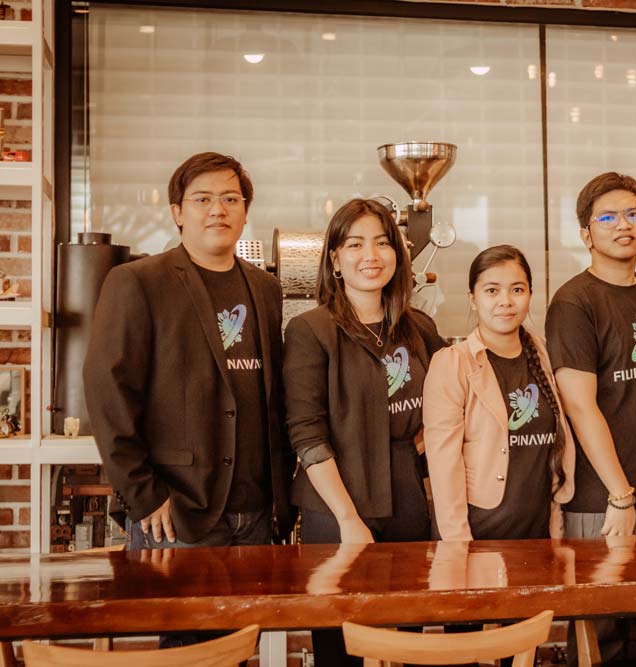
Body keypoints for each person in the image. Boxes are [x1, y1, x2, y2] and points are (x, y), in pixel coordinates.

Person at [84, 151, 295, 552]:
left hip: (257, 514)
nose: (218, 210)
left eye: (231, 199)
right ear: (178, 212)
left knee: (254, 619)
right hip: (176, 512)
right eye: (203, 199)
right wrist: (144, 494)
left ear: (245, 211)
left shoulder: (266, 288)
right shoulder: (137, 282)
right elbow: (108, 394)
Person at [283, 197, 446, 667]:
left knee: (407, 640)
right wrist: (348, 521)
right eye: (354, 244)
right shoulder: (310, 331)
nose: (370, 255)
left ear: (398, 254)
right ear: (334, 259)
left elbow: (446, 406)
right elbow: (306, 433)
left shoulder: (419, 328)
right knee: (342, 648)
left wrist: (421, 445)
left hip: (407, 499)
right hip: (336, 505)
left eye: (381, 243)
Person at [545, 172, 636, 662]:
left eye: (632, 214)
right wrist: (619, 496)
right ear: (586, 234)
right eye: (607, 217)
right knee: (600, 638)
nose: (622, 225)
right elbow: (580, 406)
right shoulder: (573, 302)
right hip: (601, 500)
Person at [424, 244, 574, 542]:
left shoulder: (545, 353)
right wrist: (457, 545)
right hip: (481, 532)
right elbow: (444, 466)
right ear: (473, 299)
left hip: (539, 532)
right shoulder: (453, 363)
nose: (505, 301)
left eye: (517, 290)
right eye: (492, 291)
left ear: (530, 294)